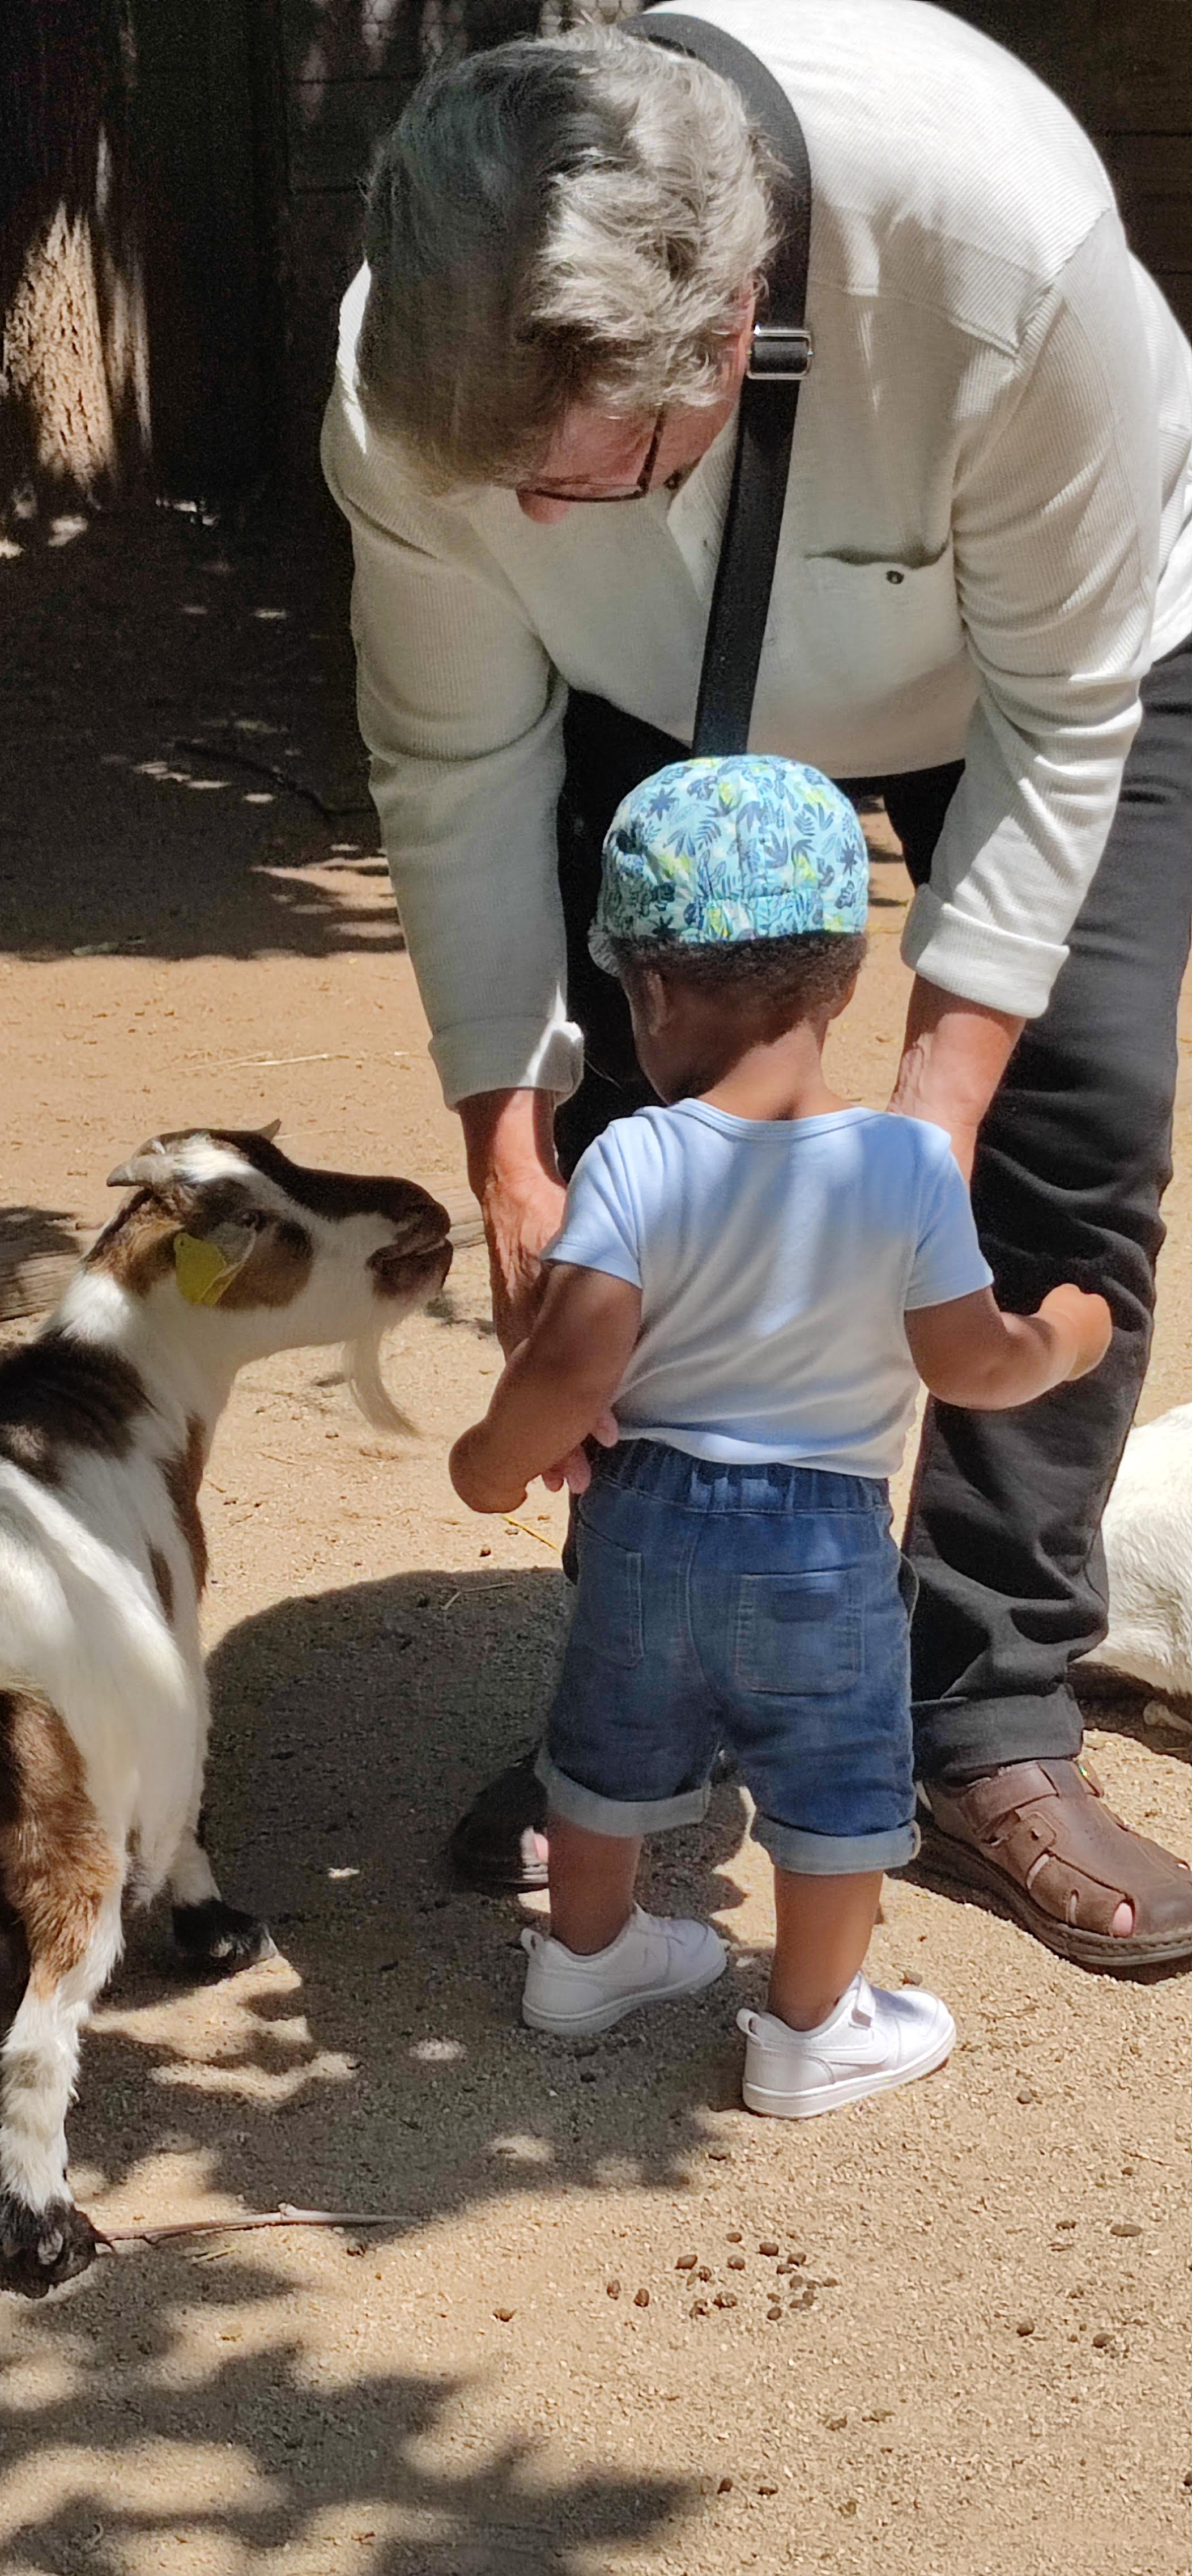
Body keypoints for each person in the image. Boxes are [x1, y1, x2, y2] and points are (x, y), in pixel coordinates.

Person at [322, 2, 1192, 1970]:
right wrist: (510, 1154)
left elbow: (1068, 718)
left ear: (729, 335)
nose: (521, 525)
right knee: (643, 1132)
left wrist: (932, 1126)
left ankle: (986, 1713)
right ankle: (664, 1680)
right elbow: (459, 763)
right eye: (491, 485)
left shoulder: (1004, 253)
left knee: (1067, 1113)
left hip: (1036, 668)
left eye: (572, 481)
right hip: (652, 680)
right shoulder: (417, 367)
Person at [449, 753, 1112, 2115]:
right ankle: (812, 2027)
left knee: (610, 1739)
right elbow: (969, 1364)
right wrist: (1062, 1337)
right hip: (820, 1542)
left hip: (642, 1517)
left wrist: (493, 1461)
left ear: (650, 990)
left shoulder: (635, 1156)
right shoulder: (904, 1165)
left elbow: (573, 1359)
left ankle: (586, 1957)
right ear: (848, 982)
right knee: (834, 1780)